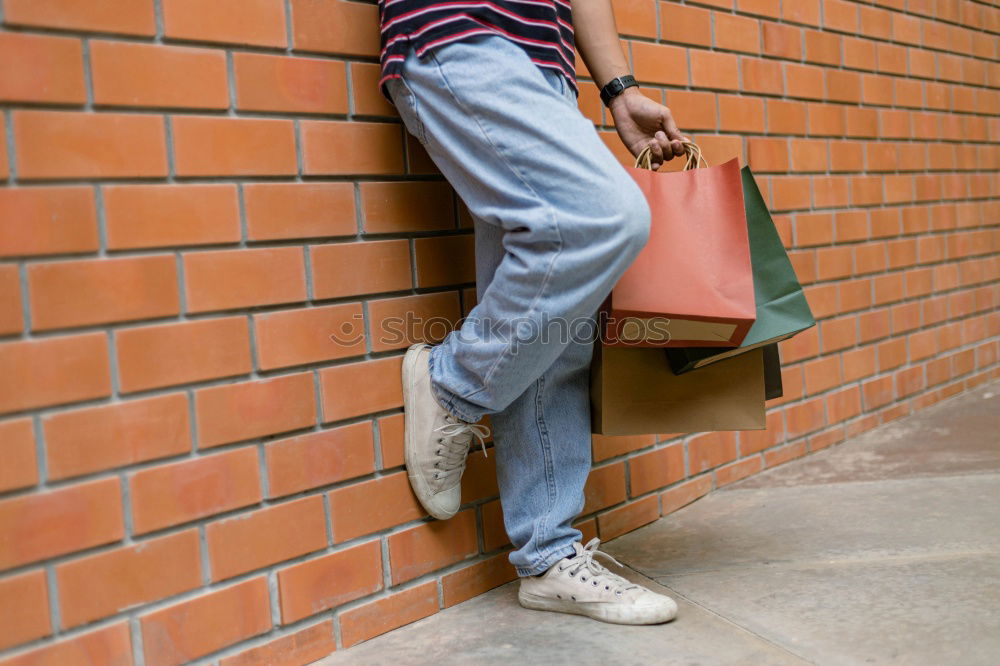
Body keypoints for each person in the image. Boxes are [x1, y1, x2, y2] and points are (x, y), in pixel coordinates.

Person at [378, 0, 686, 625]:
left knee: (555, 317)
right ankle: (455, 386)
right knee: (603, 220)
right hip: (457, 32)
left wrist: (618, 88)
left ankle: (547, 556)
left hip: (547, 64)